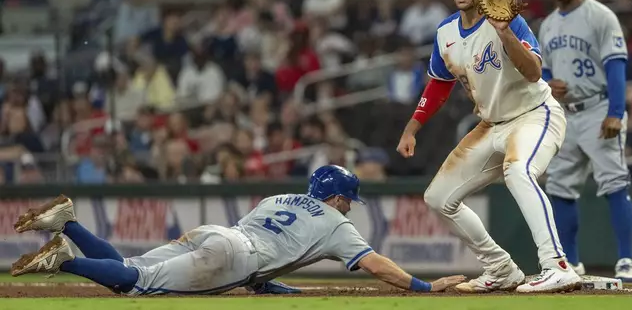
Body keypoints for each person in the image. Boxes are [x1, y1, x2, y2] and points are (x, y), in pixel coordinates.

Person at [396, 0, 582, 294]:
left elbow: (534, 72)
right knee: (438, 197)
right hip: (491, 125)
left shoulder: (509, 21)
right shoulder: (446, 31)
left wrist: (506, 33)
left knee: (518, 171)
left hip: (534, 115)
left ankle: (557, 265)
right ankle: (500, 268)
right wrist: (413, 126)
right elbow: (440, 82)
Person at [10, 165, 464, 295]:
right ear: (339, 198)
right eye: (348, 198)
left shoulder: (275, 199)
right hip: (235, 257)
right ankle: (66, 258)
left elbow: (263, 252)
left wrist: (270, 288)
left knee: (128, 267)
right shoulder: (336, 223)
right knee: (137, 285)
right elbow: (376, 265)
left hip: (216, 234)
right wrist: (424, 286)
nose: (349, 205)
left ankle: (68, 221)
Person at [539, 0, 632, 282]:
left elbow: (616, 66)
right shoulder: (549, 25)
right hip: (566, 114)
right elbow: (546, 73)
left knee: (614, 182)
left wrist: (615, 111)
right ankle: (571, 263)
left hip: (598, 107)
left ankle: (625, 259)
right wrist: (548, 86)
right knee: (561, 187)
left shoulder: (601, 16)